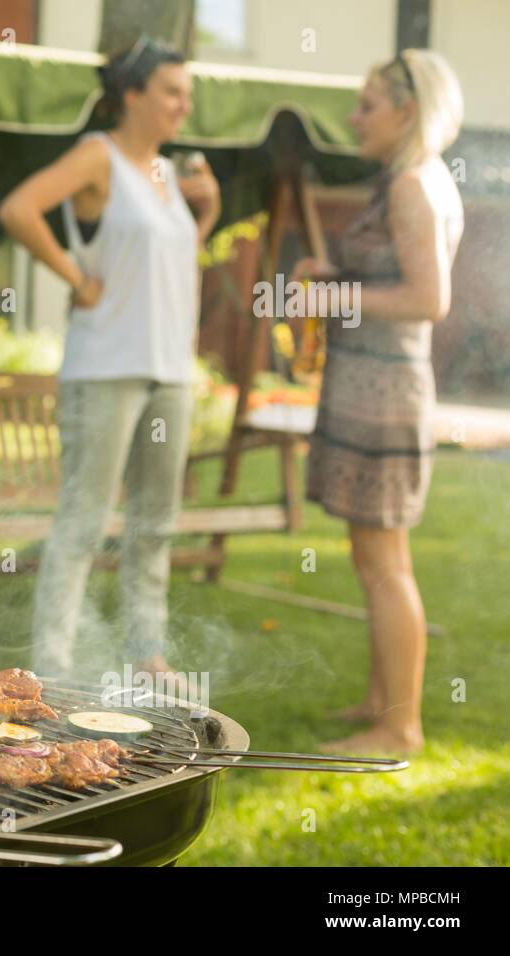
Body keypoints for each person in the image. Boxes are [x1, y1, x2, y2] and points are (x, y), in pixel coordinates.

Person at [0, 37, 219, 687]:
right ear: (134, 95)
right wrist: (74, 275)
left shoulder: (168, 175)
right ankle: (53, 669)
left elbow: (167, 259)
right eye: (173, 93)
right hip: (105, 369)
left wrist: (209, 210)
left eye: (188, 96)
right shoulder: (100, 157)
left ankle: (146, 657)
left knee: (154, 524)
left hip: (169, 371)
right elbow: (18, 208)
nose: (184, 107)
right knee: (84, 523)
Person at [295, 50, 464, 756]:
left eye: (366, 105)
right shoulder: (409, 179)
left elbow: (427, 300)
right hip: (371, 387)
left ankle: (401, 727)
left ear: (405, 110)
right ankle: (380, 702)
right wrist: (330, 274)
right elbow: (392, 280)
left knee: (385, 562)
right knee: (374, 558)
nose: (353, 117)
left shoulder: (412, 186)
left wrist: (328, 294)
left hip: (385, 394)